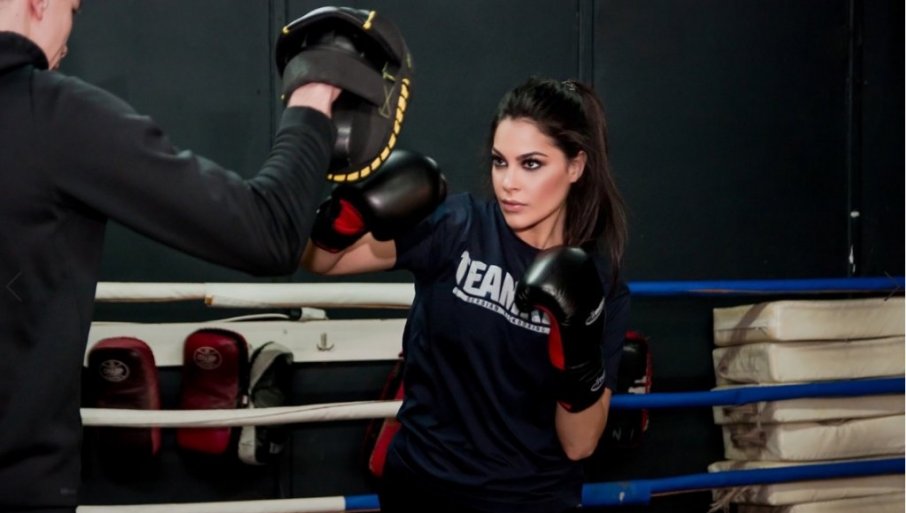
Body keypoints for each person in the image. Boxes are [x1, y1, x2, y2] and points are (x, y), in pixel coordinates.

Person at [0, 1, 343, 511]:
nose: (67, 42)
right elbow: (269, 231)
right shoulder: (50, 115)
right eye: (72, 9)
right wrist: (315, 92)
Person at [303, 76, 630, 513]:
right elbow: (321, 262)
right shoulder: (457, 227)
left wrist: (577, 351)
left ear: (575, 166)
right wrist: (350, 209)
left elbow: (580, 444)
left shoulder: (599, 284)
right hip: (422, 485)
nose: (509, 182)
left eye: (531, 164)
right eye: (500, 162)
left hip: (530, 500)